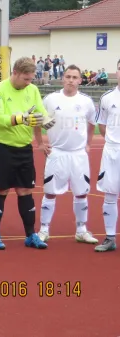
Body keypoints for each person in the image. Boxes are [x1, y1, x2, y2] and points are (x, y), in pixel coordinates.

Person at [0, 57, 56, 250]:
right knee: (1, 190)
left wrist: (46, 120)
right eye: (26, 79)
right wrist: (20, 118)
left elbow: (40, 111)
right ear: (15, 72)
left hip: (24, 148)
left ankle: (30, 235)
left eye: (31, 79)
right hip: (1, 147)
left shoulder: (32, 89)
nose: (29, 82)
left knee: (25, 191)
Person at [35, 65, 98, 245]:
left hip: (79, 155)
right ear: (63, 78)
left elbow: (92, 123)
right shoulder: (51, 99)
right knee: (50, 192)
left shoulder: (86, 101)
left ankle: (81, 230)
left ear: (80, 80)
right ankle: (44, 229)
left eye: (74, 77)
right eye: (68, 76)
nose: (71, 80)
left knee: (81, 193)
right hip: (57, 153)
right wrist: (40, 143)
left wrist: (88, 144)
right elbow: (38, 121)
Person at [93, 59, 120, 252]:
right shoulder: (107, 98)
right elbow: (102, 125)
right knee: (110, 194)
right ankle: (110, 237)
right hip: (112, 151)